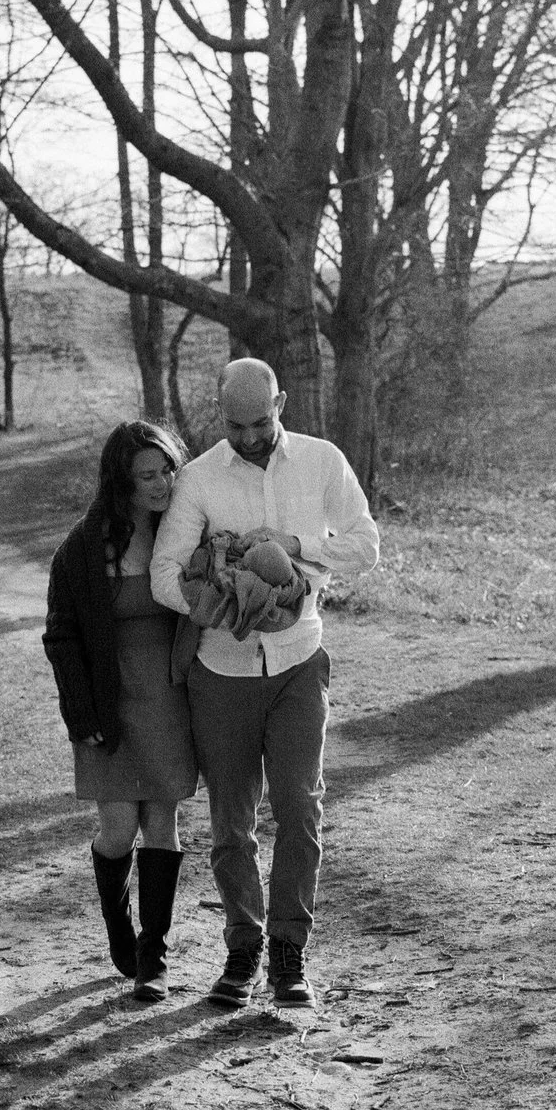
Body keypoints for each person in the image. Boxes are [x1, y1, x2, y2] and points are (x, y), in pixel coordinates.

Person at [150, 359, 379, 1009]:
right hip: (220, 673)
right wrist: (206, 598)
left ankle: (288, 955)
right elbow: (166, 568)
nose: (250, 435)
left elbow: (367, 545)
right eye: (236, 424)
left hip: (300, 663)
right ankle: (243, 948)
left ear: (281, 400)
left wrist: (296, 543)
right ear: (220, 413)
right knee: (230, 824)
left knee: (300, 807)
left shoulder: (321, 461)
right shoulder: (198, 478)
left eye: (262, 420)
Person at [44, 421, 199, 1002]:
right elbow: (62, 638)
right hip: (107, 703)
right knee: (117, 830)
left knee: (162, 822)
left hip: (167, 699)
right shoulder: (82, 549)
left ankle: (153, 957)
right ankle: (119, 922)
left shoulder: (180, 535)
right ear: (122, 482)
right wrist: (79, 715)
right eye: (147, 476)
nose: (161, 485)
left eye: (167, 471)